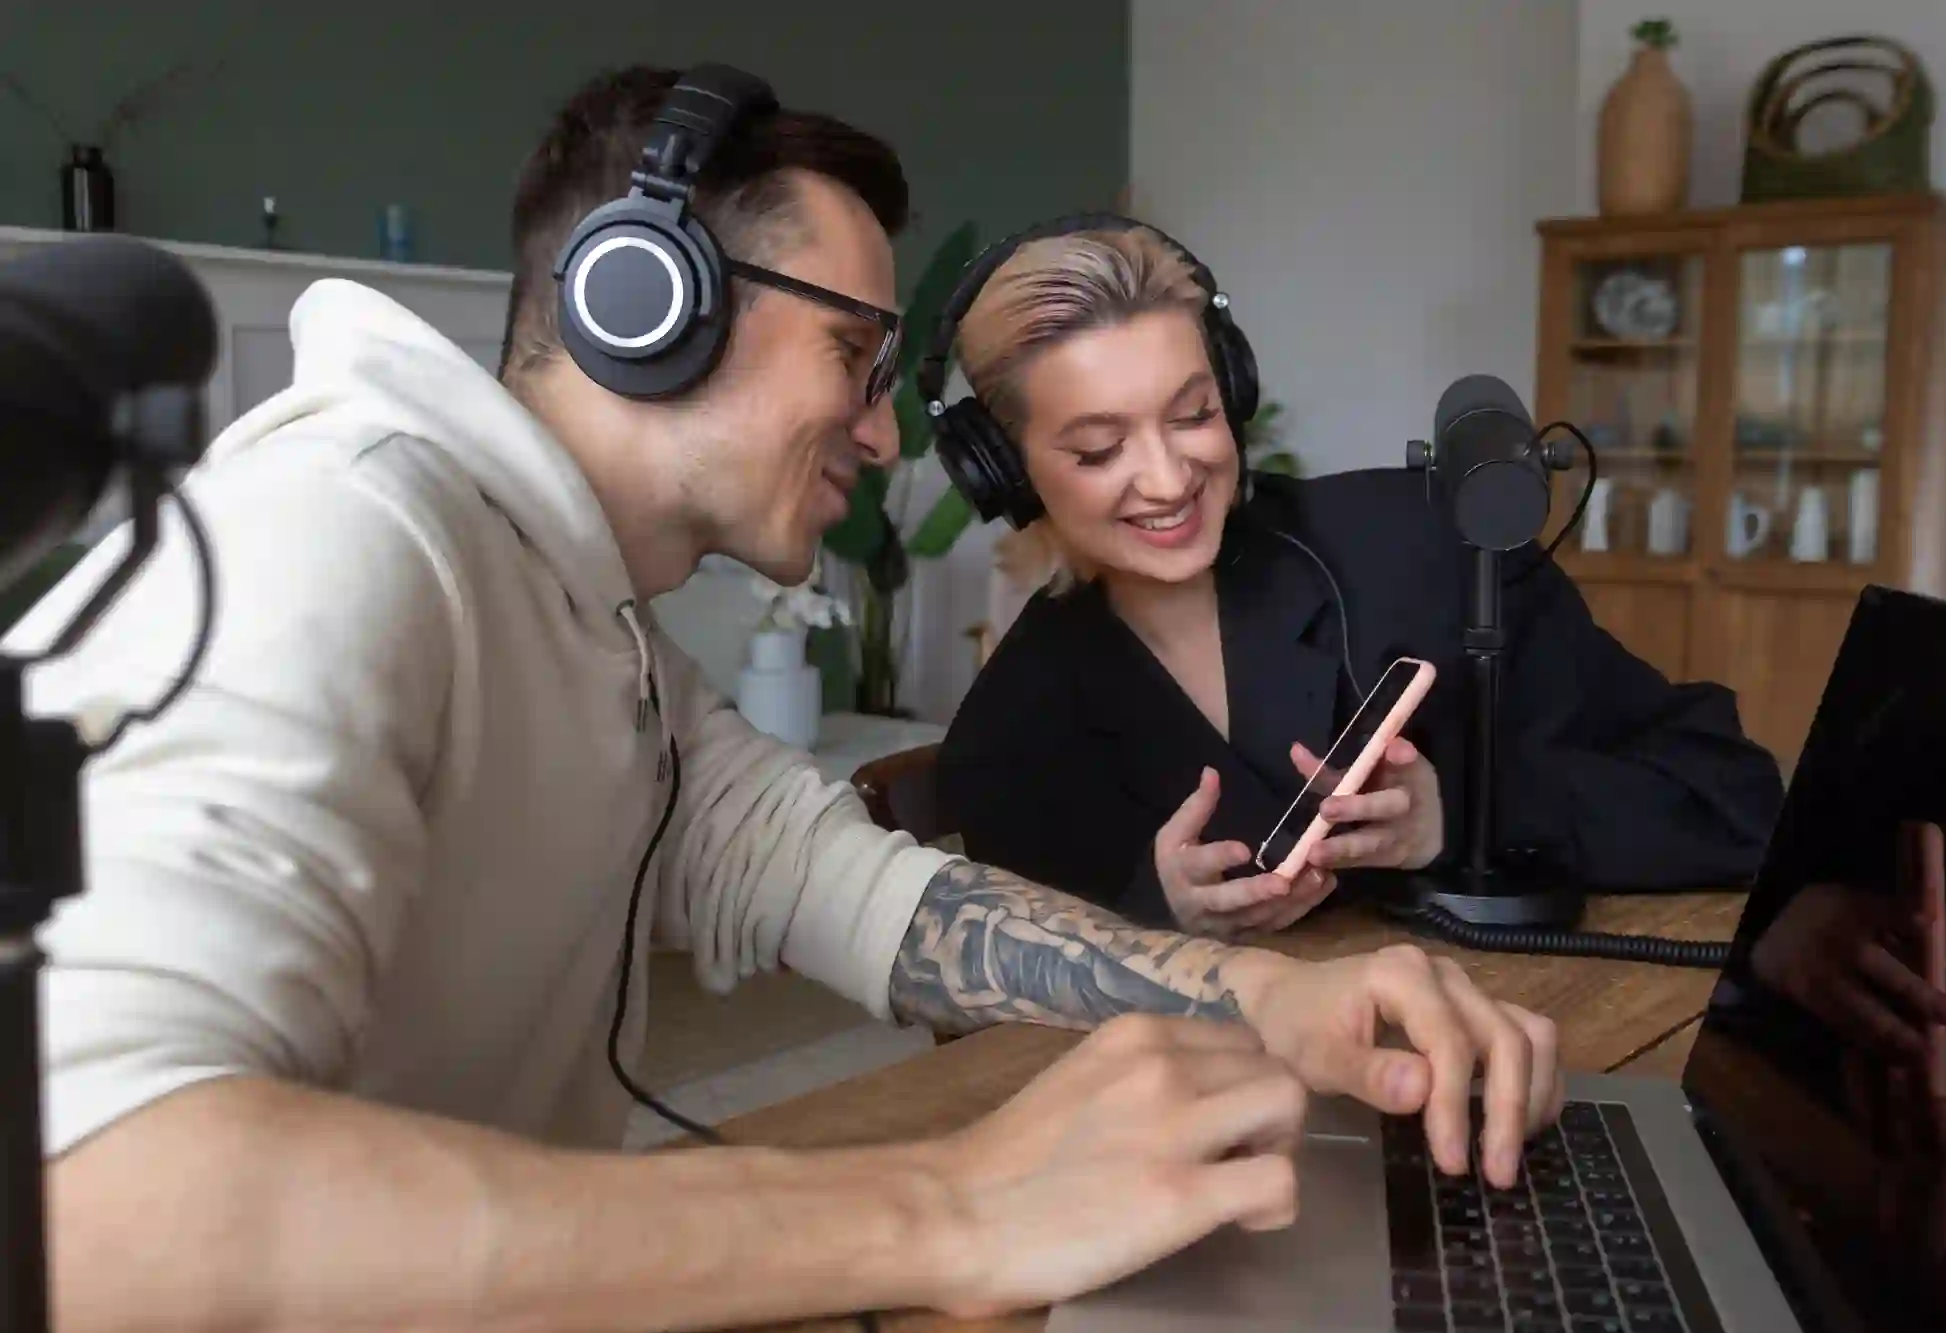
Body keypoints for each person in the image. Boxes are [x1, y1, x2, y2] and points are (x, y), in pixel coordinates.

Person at [13, 66, 1565, 1333]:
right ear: (646, 300)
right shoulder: (339, 533)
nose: (885, 438)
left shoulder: (599, 638)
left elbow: (878, 899)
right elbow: (82, 1205)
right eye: (854, 353)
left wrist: (1273, 1002)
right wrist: (950, 1208)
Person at [932, 217, 1786, 937]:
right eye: (1098, 449)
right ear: (1006, 472)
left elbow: (1735, 797)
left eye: (1193, 415)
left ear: (1231, 390)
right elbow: (1017, 1033)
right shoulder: (1009, 738)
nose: (1167, 479)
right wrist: (1149, 918)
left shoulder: (1423, 546)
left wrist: (1463, 816)